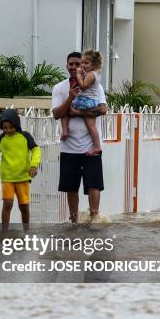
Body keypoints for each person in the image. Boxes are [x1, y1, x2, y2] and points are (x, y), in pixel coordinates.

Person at [52, 52, 107, 223]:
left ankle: (94, 218)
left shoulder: (95, 85)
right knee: (71, 188)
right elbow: (57, 113)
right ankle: (74, 220)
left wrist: (78, 112)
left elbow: (103, 109)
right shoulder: (59, 88)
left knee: (94, 185)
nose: (75, 67)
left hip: (90, 146)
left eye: (79, 64)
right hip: (68, 147)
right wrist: (69, 99)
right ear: (66, 65)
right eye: (72, 64)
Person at [0, 109, 41, 231]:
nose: (8, 130)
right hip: (7, 178)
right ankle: (4, 232)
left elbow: (36, 150)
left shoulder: (25, 136)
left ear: (16, 125)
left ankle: (26, 231)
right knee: (7, 204)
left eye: (11, 127)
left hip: (23, 177)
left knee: (24, 206)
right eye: (5, 128)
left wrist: (34, 165)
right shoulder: (1, 139)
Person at [60, 50, 104, 156]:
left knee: (66, 108)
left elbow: (83, 86)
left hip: (85, 101)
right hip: (89, 102)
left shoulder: (91, 75)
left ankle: (65, 130)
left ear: (94, 64)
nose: (82, 66)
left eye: (85, 63)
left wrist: (79, 75)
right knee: (91, 125)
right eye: (83, 63)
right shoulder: (95, 74)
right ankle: (97, 146)